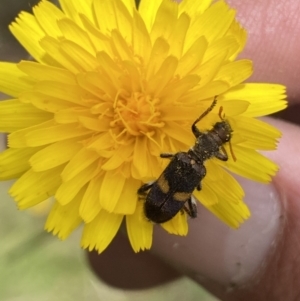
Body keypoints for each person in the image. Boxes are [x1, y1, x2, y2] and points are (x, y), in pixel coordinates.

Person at [88, 1, 300, 300]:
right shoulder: (199, 168)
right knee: (190, 207)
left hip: (162, 198)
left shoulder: (188, 158)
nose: (213, 136)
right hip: (164, 199)